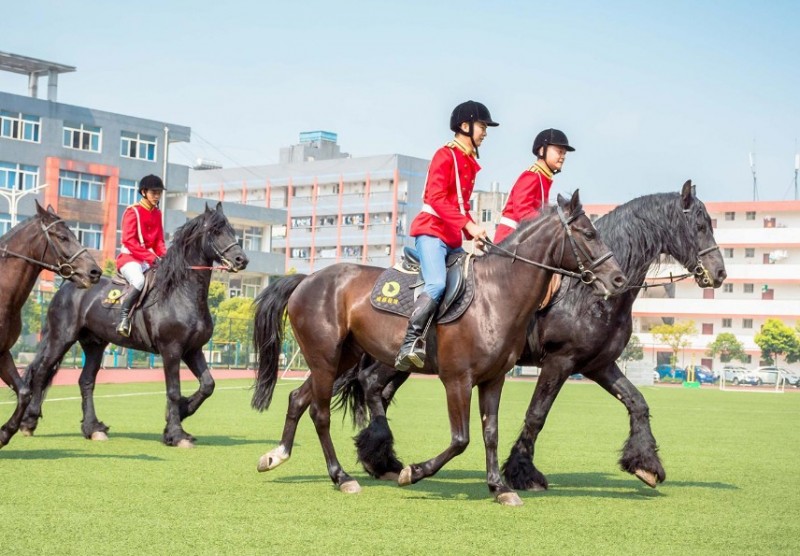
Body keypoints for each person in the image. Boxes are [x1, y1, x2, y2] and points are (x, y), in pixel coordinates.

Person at [394, 100, 498, 371]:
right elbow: (437, 198)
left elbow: (460, 206)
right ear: (465, 126)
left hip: (452, 239)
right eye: (482, 126)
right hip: (431, 232)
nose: (485, 132)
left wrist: (472, 231)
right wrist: (469, 225)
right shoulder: (446, 155)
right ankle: (410, 342)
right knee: (437, 284)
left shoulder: (467, 160)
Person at [493, 128, 575, 243]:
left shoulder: (543, 177)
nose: (563, 157)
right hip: (509, 239)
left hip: (524, 238)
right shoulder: (531, 176)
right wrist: (551, 222)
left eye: (564, 153)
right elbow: (522, 211)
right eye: (559, 151)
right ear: (542, 151)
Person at [115, 174, 167, 337]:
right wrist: (151, 258)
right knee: (139, 281)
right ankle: (123, 318)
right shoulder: (133, 212)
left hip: (146, 260)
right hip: (129, 259)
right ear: (143, 192)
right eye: (154, 192)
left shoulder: (157, 213)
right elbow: (129, 241)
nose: (157, 196)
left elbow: (158, 241)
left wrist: (166, 257)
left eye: (159, 193)